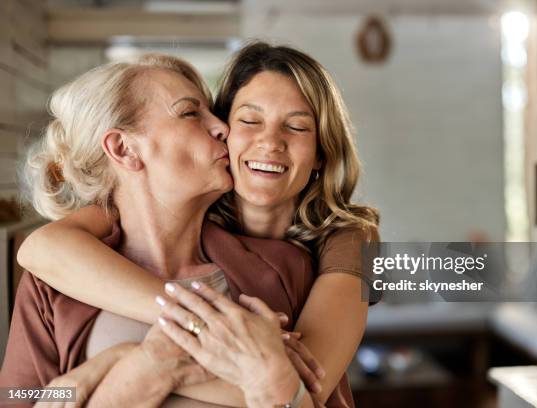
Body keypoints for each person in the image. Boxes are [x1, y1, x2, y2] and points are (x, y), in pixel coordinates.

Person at [15, 42, 380, 406]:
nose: (220, 128)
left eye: (298, 127)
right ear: (124, 150)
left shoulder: (299, 261)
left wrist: (129, 362)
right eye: (191, 113)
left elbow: (303, 393)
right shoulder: (62, 274)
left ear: (322, 154)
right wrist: (156, 358)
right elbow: (19, 395)